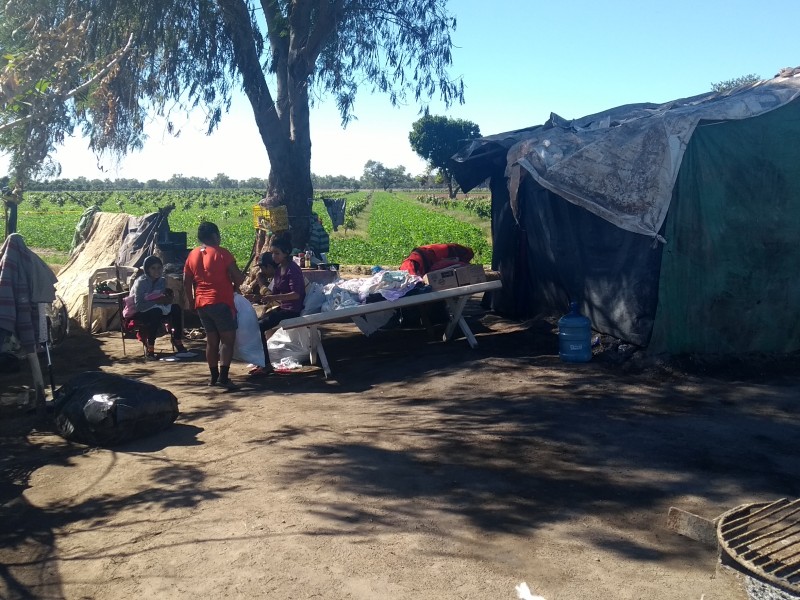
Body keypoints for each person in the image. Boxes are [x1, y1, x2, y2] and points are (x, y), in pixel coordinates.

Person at [183, 221, 244, 389]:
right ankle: (223, 377)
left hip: (202, 303)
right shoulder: (222, 253)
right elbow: (238, 277)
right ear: (215, 236)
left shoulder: (192, 255)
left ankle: (213, 376)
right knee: (227, 340)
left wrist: (191, 301)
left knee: (211, 341)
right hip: (221, 301)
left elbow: (186, 281)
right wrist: (236, 285)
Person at [248, 236, 305, 376]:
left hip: (292, 310)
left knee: (259, 327)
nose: (274, 256)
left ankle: (266, 365)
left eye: (277, 253)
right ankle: (261, 362)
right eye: (273, 253)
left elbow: (296, 294)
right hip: (283, 308)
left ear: (286, 253)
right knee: (255, 324)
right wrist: (259, 297)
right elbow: (274, 294)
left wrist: (273, 297)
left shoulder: (293, 269)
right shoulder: (280, 269)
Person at [128, 255, 188, 359]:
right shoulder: (140, 283)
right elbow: (139, 306)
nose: (157, 271)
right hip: (142, 312)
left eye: (159, 268)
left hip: (158, 307)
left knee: (176, 308)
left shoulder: (162, 280)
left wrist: (167, 300)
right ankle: (150, 347)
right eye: (153, 268)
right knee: (156, 312)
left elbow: (161, 297)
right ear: (147, 269)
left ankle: (177, 339)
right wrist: (157, 301)